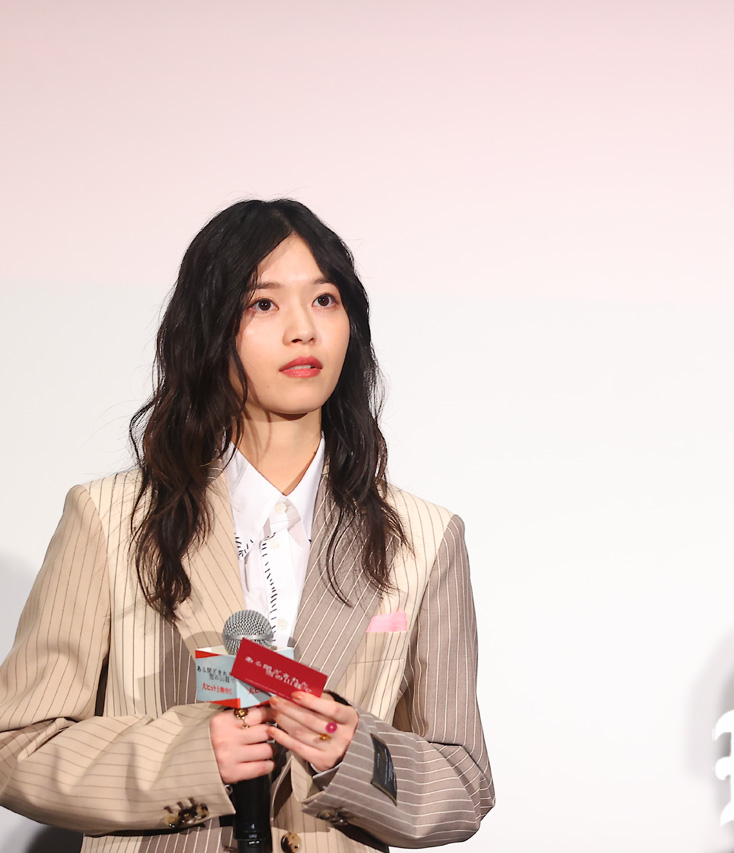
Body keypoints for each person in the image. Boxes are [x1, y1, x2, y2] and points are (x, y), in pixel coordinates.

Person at [0, 199, 494, 851]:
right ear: (208, 328)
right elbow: (19, 744)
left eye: (324, 300)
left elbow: (463, 785)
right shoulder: (109, 519)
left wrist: (353, 752)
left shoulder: (424, 538)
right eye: (264, 303)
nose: (303, 330)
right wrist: (186, 756)